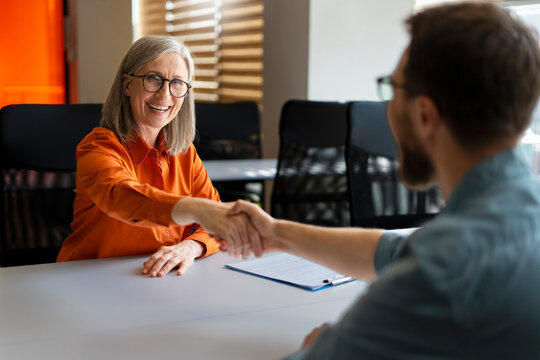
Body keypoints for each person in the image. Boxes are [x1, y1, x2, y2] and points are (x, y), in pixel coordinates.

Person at [222, 2, 540, 358]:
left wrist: (316, 349)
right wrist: (277, 234)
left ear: (424, 115)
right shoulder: (514, 213)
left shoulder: (441, 275)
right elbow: (395, 252)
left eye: (392, 89)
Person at [57, 35, 259, 276]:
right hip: (89, 281)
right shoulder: (97, 148)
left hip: (159, 281)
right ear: (127, 85)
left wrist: (191, 246)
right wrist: (196, 208)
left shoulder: (186, 154)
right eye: (153, 79)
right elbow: (121, 197)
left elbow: (216, 226)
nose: (165, 95)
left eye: (177, 83)